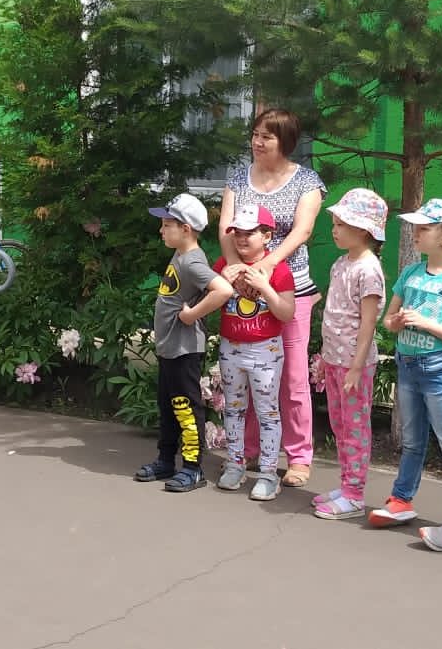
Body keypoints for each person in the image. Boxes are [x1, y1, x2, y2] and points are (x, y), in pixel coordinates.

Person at [220, 108, 327, 488]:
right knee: (248, 371)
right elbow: (225, 228)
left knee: (292, 378)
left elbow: (302, 230)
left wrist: (266, 265)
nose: (258, 142)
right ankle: (248, 450)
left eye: (267, 136)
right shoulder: (238, 177)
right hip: (243, 288)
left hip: (288, 287)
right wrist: (237, 272)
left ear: (286, 141)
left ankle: (298, 457)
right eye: (255, 134)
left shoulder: (306, 181)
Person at [369, 199, 442, 551]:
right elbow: (388, 321)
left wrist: (428, 324)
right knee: (413, 442)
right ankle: (401, 500)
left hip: (439, 370)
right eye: (415, 227)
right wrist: (397, 321)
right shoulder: (411, 273)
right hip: (407, 365)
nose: (415, 233)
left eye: (424, 228)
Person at [135, 193, 235, 492]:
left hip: (185, 350)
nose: (161, 230)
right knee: (168, 406)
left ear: (186, 229)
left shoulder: (191, 261)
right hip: (170, 349)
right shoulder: (180, 254)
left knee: (186, 408)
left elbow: (223, 290)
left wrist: (191, 315)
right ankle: (166, 460)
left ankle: (192, 469)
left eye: (167, 225)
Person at [312, 188, 388, 520]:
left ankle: (355, 495)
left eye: (341, 224)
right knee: (340, 425)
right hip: (334, 360)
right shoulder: (341, 263)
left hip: (353, 364)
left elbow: (368, 322)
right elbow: (335, 313)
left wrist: (357, 367)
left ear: (364, 230)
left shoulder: (368, 269)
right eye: (335, 223)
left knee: (355, 429)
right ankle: (346, 486)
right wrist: (324, 357)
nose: (335, 230)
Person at [213, 203, 297, 501]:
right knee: (233, 408)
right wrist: (223, 281)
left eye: (249, 233)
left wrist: (265, 286)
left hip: (265, 350)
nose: (241, 238)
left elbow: (286, 313)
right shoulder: (223, 264)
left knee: (267, 412)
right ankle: (235, 464)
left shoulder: (279, 270)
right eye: (237, 232)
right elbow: (208, 299)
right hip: (231, 347)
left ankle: (268, 473)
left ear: (267, 236)